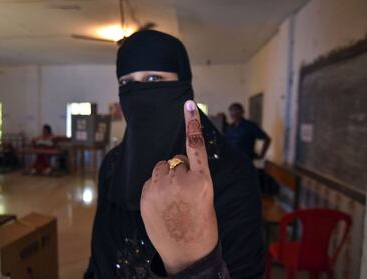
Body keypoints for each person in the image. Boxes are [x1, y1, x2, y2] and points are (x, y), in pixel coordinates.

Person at [84, 30, 263, 278]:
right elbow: (98, 260)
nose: (137, 92)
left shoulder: (232, 171)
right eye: (126, 83)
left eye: (154, 79)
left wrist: (190, 258)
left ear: (184, 85)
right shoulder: (113, 164)